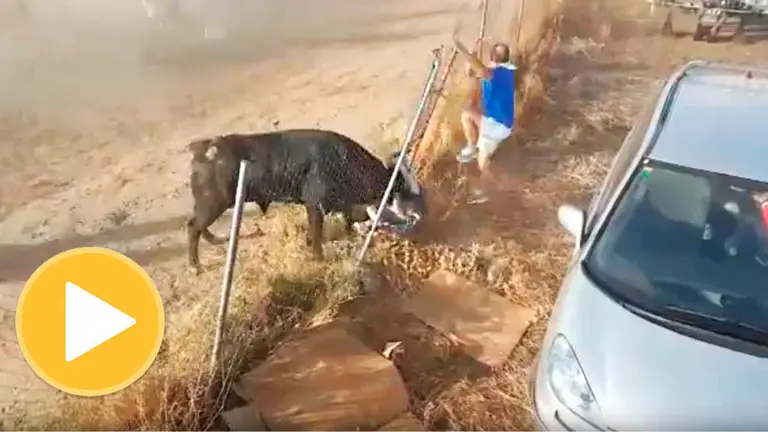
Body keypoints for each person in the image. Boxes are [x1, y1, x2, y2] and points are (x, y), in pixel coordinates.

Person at [454, 34, 516, 204]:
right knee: (467, 114)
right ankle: (472, 146)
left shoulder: (501, 73)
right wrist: (472, 56)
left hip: (497, 126)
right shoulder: (498, 70)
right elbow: (471, 72)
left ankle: (496, 188)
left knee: (483, 164)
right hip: (494, 122)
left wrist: (464, 51)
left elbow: (481, 71)